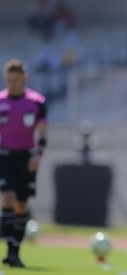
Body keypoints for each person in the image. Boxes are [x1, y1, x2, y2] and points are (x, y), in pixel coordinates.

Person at [0, 59, 48, 268]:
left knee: (21, 205)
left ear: (24, 78)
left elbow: (43, 132)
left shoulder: (36, 102)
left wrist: (38, 154)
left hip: (27, 158)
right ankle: (9, 249)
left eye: (16, 80)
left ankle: (15, 252)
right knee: (7, 198)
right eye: (9, 80)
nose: (13, 84)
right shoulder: (0, 101)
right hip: (4, 156)